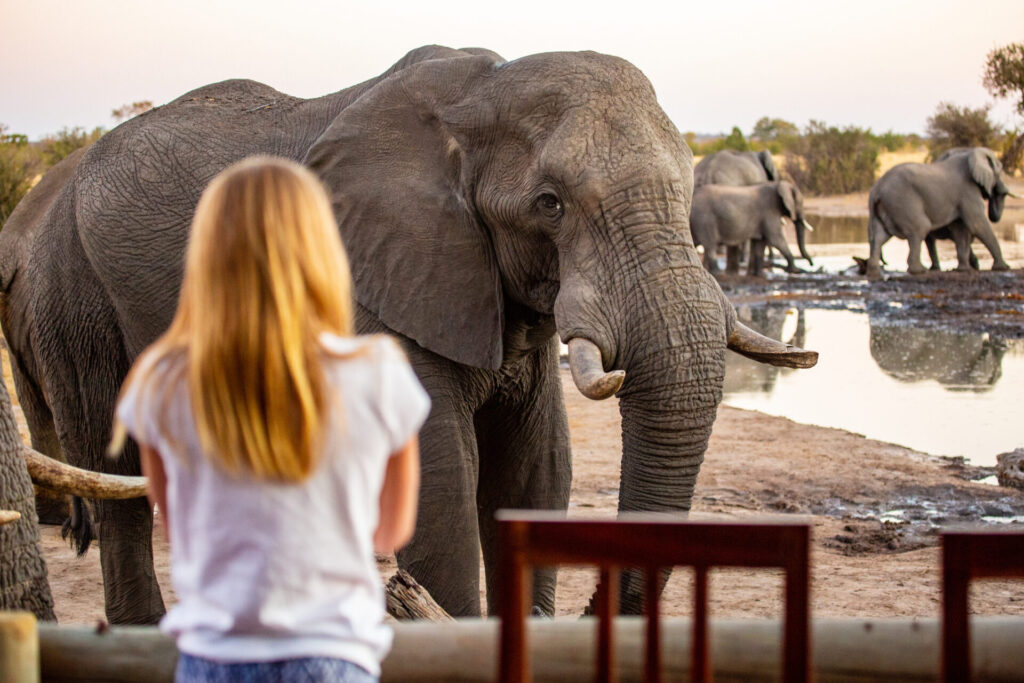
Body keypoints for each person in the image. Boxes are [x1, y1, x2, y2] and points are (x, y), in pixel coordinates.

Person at [109, 156, 429, 683]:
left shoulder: (161, 377)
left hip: (214, 657)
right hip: (335, 655)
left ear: (206, 255)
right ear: (321, 250)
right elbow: (390, 529)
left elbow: (177, 523)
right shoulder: (378, 369)